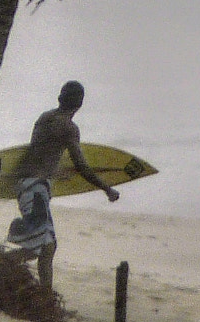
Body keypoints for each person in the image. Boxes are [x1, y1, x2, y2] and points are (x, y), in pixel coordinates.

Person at [6, 81, 119, 292]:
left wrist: (53, 172)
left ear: (59, 98)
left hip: (26, 184)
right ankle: (1, 266)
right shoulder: (68, 127)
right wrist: (107, 188)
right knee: (42, 247)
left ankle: (42, 292)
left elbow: (42, 152)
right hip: (36, 188)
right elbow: (81, 166)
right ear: (80, 104)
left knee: (45, 246)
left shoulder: (45, 118)